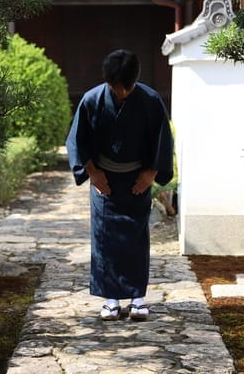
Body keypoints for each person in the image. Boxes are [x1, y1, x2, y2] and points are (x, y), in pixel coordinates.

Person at [65, 49, 174, 321]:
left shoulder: (150, 100)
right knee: (104, 240)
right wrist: (92, 171)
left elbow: (161, 140)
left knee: (137, 238)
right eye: (117, 87)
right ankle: (111, 299)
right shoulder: (92, 100)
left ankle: (137, 298)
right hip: (104, 180)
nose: (123, 93)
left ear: (135, 80)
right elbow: (77, 140)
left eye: (128, 87)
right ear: (108, 81)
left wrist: (150, 173)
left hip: (137, 178)